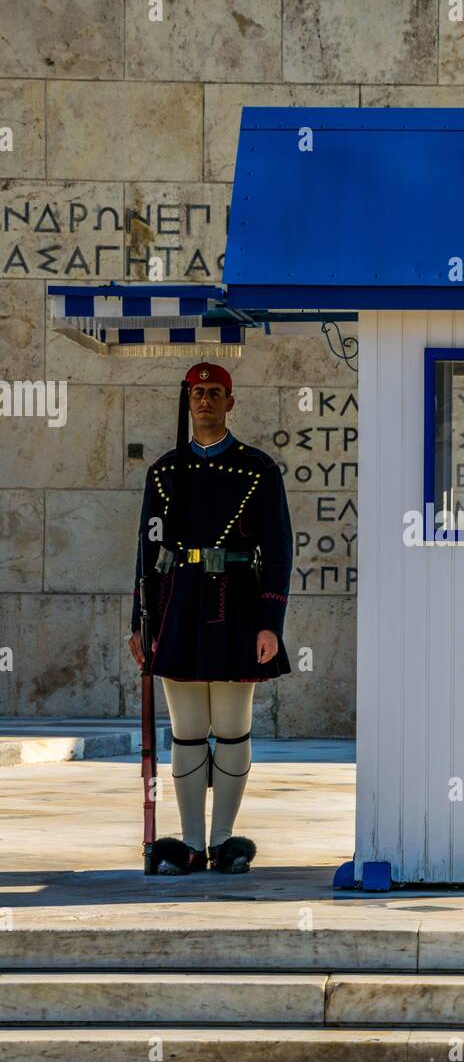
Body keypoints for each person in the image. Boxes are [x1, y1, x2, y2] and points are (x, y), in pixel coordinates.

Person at [128, 361, 293, 875]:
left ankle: (224, 840)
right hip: (179, 601)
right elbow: (147, 550)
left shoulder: (258, 468)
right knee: (189, 728)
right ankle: (193, 843)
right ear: (188, 400)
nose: (205, 401)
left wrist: (270, 622)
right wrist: (141, 620)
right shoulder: (164, 471)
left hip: (235, 602)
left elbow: (279, 548)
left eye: (215, 392)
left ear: (230, 402)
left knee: (231, 724)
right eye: (197, 393)